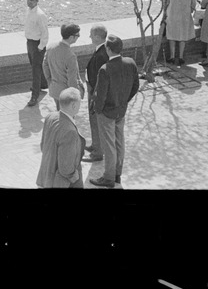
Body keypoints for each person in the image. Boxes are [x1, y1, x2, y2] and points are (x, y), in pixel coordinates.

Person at [89, 35, 140, 188]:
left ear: (108, 49)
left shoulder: (105, 69)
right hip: (121, 111)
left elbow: (101, 95)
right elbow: (135, 86)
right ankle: (117, 174)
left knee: (109, 145)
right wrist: (124, 102)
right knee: (119, 142)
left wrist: (97, 110)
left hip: (106, 113)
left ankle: (108, 177)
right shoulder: (130, 63)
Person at [36, 87, 86, 189]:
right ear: (73, 105)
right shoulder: (70, 132)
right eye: (80, 102)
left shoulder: (50, 117)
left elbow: (43, 146)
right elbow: (66, 168)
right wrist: (74, 176)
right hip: (62, 183)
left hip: (45, 177)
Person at [42, 23, 85, 110]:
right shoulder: (70, 56)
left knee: (60, 114)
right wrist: (75, 96)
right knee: (67, 118)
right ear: (71, 37)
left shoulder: (51, 47)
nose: (78, 37)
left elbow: (45, 65)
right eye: (78, 35)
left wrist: (49, 81)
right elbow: (72, 80)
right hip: (66, 94)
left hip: (55, 90)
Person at [82, 24, 109, 163]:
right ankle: (95, 144)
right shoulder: (102, 50)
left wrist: (94, 95)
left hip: (95, 92)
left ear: (98, 37)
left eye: (91, 34)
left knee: (95, 121)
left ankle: (97, 152)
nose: (90, 37)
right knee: (93, 121)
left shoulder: (101, 55)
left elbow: (100, 78)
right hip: (93, 90)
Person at [164, 0, 196, 66]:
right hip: (185, 15)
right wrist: (190, 10)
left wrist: (165, 13)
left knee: (172, 36)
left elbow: (166, 1)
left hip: (172, 14)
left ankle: (172, 56)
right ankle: (181, 57)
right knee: (183, 36)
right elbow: (193, 3)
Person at [24, 0, 50, 106]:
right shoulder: (28, 11)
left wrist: (40, 47)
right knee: (35, 66)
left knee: (35, 70)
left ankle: (34, 96)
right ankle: (43, 84)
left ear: (37, 1)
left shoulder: (40, 15)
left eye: (32, 0)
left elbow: (45, 33)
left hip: (37, 45)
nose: (29, 2)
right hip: (29, 43)